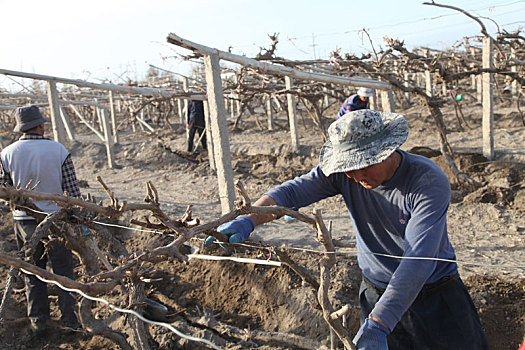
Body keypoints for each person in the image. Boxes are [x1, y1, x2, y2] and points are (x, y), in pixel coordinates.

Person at [208, 109, 488, 349]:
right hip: (376, 291)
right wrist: (250, 218)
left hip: (435, 296)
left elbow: (417, 261)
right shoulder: (347, 175)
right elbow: (291, 192)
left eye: (364, 164)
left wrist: (378, 323)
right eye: (349, 168)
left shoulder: (427, 180)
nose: (356, 175)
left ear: (389, 149)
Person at [0, 105, 81, 336]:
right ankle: (70, 321)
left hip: (23, 221)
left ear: (20, 128)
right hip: (57, 220)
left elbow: (3, 190)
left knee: (32, 271)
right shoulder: (58, 150)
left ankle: (38, 321)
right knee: (63, 273)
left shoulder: (6, 154)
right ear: (41, 125)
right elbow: (73, 193)